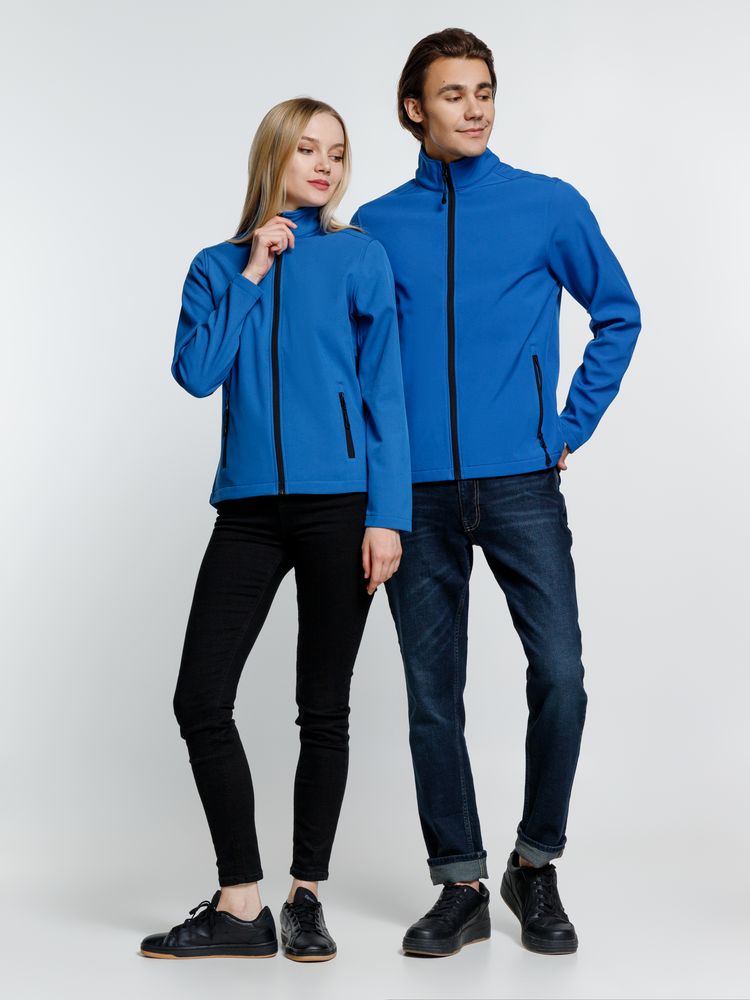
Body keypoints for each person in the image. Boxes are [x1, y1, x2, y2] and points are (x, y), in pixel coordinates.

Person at [351, 28, 641, 957]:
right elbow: (354, 364)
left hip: (521, 481)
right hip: (414, 494)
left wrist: (564, 427)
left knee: (561, 675)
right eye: (453, 94)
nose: (473, 108)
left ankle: (534, 862)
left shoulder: (547, 205)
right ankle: (461, 884)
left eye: (484, 91)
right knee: (433, 697)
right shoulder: (375, 227)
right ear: (414, 109)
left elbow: (619, 314)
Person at [140, 97, 411, 963]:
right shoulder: (218, 266)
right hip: (249, 511)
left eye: (337, 152)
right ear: (274, 157)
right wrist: (254, 269)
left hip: (342, 508)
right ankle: (241, 902)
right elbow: (196, 373)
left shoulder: (360, 257)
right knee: (200, 698)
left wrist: (388, 515)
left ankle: (306, 896)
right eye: (307, 150)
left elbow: (386, 393)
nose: (325, 166)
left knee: (322, 707)